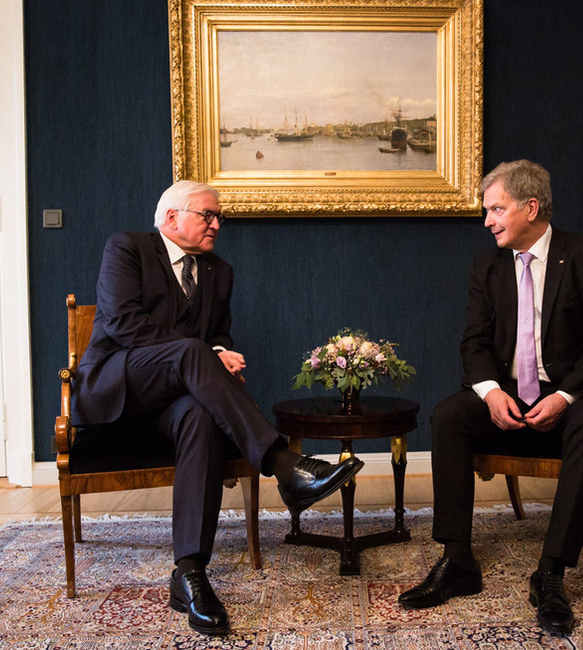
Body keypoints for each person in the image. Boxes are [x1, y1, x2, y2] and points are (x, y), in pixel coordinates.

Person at [72, 180, 364, 637]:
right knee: (193, 353)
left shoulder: (219, 272)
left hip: (175, 404)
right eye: (207, 215)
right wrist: (206, 354)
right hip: (118, 388)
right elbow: (125, 325)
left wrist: (222, 353)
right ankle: (285, 466)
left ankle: (189, 574)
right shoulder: (128, 248)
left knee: (201, 417)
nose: (216, 225)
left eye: (219, 218)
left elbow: (218, 335)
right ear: (172, 218)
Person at [398, 160, 583, 636]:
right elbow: (474, 342)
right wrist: (488, 393)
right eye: (487, 211)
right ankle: (457, 560)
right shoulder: (487, 264)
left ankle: (551, 572)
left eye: (496, 209)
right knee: (448, 416)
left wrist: (564, 395)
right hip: (510, 393)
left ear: (531, 207)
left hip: (575, 393)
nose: (487, 221)